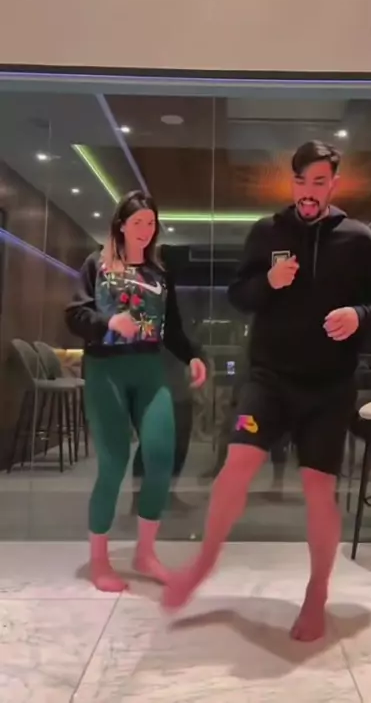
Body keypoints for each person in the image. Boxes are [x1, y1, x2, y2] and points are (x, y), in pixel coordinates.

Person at [162, 141, 371, 641]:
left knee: (318, 490)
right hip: (269, 378)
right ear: (291, 183)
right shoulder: (267, 232)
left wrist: (359, 315)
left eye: (319, 182)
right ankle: (203, 562)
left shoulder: (358, 239)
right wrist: (268, 280)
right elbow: (239, 295)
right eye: (300, 182)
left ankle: (317, 592)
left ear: (333, 184)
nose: (308, 192)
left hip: (329, 385)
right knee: (235, 466)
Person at [65, 191, 207, 592]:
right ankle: (99, 559)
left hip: (149, 370)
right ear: (122, 226)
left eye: (151, 223)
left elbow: (172, 328)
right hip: (106, 369)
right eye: (138, 222)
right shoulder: (97, 264)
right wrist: (109, 323)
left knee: (160, 457)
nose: (145, 230)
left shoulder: (159, 274)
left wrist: (192, 356)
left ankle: (145, 554)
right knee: (113, 463)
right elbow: (75, 314)